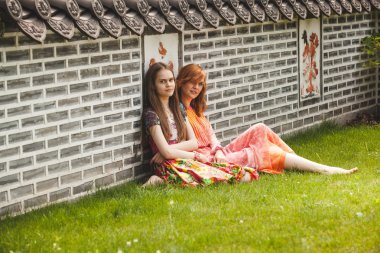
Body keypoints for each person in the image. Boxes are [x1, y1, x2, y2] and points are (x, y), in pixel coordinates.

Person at [177, 63, 358, 175]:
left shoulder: (195, 109)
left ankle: (296, 160)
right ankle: (324, 169)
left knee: (260, 128)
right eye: (192, 82)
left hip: (218, 153)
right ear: (182, 82)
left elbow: (212, 136)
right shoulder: (178, 110)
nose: (196, 87)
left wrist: (217, 149)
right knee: (262, 151)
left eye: (200, 84)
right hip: (209, 160)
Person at [142, 62, 259, 187]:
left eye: (171, 80)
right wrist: (195, 156)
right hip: (168, 164)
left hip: (183, 159)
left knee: (242, 174)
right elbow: (168, 154)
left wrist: (167, 150)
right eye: (162, 81)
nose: (168, 84)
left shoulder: (178, 108)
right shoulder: (151, 114)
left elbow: (193, 143)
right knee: (216, 180)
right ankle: (159, 180)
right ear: (153, 86)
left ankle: (164, 181)